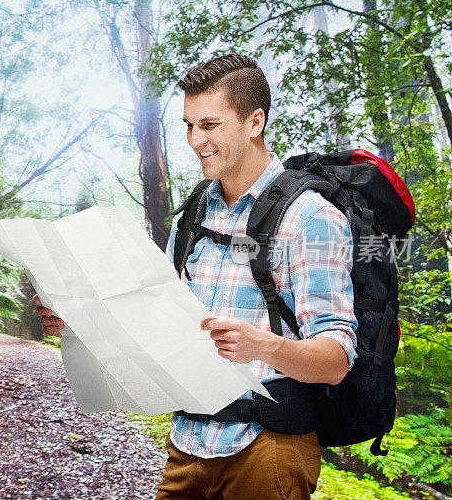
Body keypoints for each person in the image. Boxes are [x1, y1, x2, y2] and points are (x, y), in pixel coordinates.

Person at [33, 53, 358, 500]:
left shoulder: (310, 219)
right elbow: (158, 322)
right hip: (187, 445)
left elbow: (337, 359)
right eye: (188, 125)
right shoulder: (194, 216)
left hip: (269, 450)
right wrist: (78, 321)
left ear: (254, 122)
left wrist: (263, 346)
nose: (194, 140)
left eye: (209, 125)